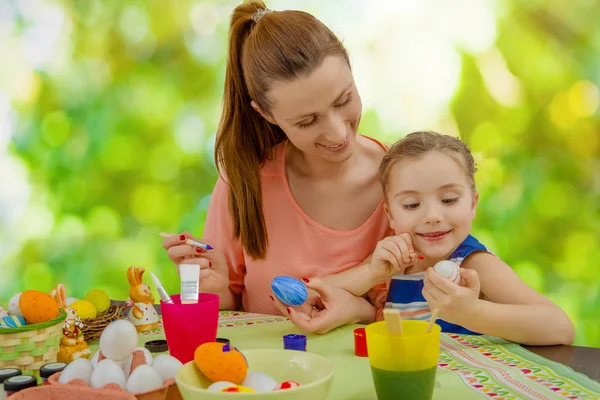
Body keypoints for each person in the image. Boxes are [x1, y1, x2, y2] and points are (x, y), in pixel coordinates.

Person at [161, 0, 392, 332]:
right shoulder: (243, 185)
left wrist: (362, 311)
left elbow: (428, 317)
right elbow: (231, 309)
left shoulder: (405, 181)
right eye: (308, 121)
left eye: (344, 100)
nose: (338, 131)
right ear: (267, 115)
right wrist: (213, 288)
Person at [313, 131, 575, 345]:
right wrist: (371, 273)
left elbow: (560, 327)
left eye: (449, 200)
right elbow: (315, 296)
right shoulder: (397, 260)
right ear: (389, 214)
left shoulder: (473, 264)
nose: (433, 216)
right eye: (412, 204)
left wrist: (473, 313)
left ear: (472, 204)